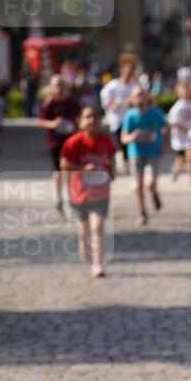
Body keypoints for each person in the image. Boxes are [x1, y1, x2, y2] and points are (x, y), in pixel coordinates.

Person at [60, 106, 116, 278]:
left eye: (95, 117)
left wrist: (111, 172)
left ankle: (98, 263)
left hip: (100, 193)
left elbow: (111, 157)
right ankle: (82, 243)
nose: (92, 120)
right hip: (80, 193)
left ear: (100, 121)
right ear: (80, 121)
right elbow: (64, 165)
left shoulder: (105, 140)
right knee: (84, 227)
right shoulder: (74, 142)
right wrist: (83, 168)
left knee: (97, 227)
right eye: (87, 117)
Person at [120, 85, 168, 225]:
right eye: (136, 95)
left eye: (141, 94)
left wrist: (165, 145)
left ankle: (153, 193)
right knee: (138, 184)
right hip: (136, 153)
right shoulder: (130, 115)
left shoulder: (155, 112)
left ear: (147, 97)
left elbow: (165, 127)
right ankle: (142, 212)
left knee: (151, 181)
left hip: (153, 151)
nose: (139, 98)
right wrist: (132, 137)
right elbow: (124, 138)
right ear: (132, 100)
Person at [38, 75, 81, 214]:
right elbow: (41, 121)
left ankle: (71, 197)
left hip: (71, 142)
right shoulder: (48, 103)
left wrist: (76, 125)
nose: (59, 89)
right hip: (55, 142)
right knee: (58, 171)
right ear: (51, 88)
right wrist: (53, 124)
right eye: (56, 86)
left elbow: (80, 118)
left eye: (61, 85)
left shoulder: (73, 103)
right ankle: (59, 198)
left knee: (71, 170)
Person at [100, 57, 137, 173]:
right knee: (120, 142)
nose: (129, 75)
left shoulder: (134, 84)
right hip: (117, 118)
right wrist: (111, 105)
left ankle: (129, 162)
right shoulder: (113, 85)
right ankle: (123, 160)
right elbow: (105, 98)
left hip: (130, 117)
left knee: (130, 141)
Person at [168, 80, 191, 186]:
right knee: (180, 159)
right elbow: (173, 122)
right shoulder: (177, 107)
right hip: (180, 137)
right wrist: (185, 130)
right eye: (184, 91)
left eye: (188, 91)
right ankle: (175, 171)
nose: (186, 93)